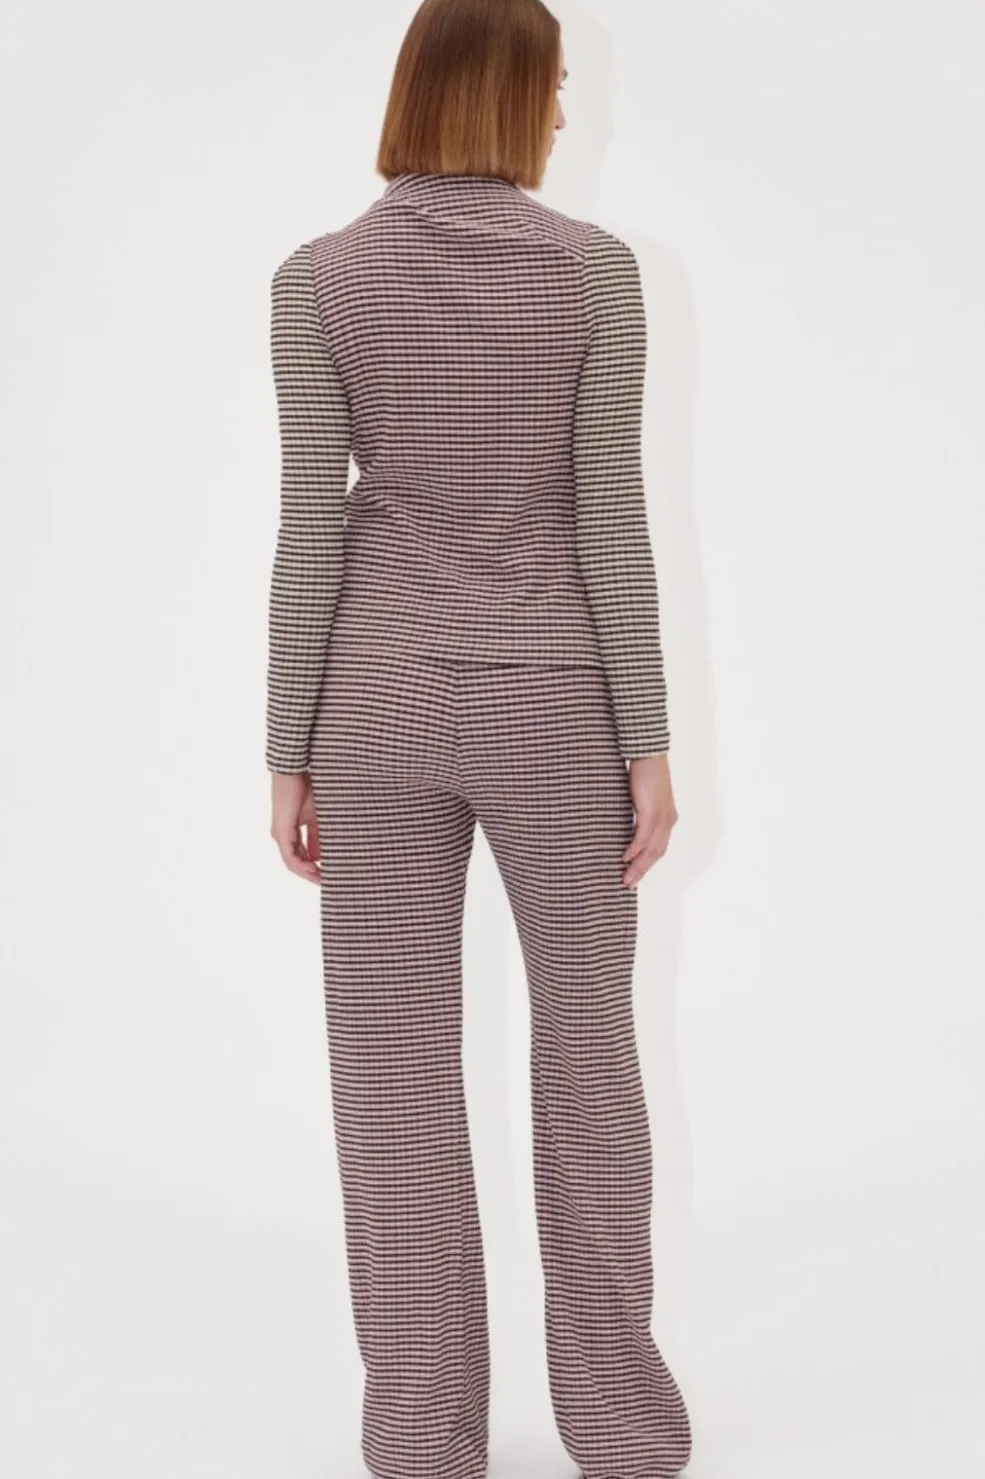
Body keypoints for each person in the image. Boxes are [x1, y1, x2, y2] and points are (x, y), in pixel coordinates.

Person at [264, 1, 692, 1476]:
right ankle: (621, 1425)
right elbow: (609, 520)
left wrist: (287, 744)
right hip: (559, 710)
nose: (564, 111)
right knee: (589, 1056)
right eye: (554, 86)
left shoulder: (318, 280)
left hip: (372, 706)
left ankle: (423, 1431)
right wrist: (647, 737)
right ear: (504, 95)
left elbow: (311, 531)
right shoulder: (596, 274)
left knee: (387, 1072)